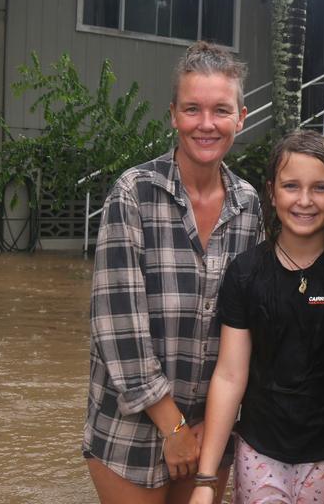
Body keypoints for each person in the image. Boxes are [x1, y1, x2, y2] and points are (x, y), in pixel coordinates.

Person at [83, 41, 263, 504]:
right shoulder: (133, 194)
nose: (206, 124)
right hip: (131, 430)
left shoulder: (249, 207)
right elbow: (117, 326)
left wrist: (214, 424)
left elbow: (252, 326)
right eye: (192, 110)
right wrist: (174, 426)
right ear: (173, 115)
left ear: (240, 117)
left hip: (210, 431)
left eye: (221, 110)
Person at [190, 130, 324, 504]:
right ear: (272, 192)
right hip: (259, 453)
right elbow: (230, 375)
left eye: (320, 188)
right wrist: (205, 479)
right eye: (291, 186)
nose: (304, 201)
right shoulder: (245, 273)